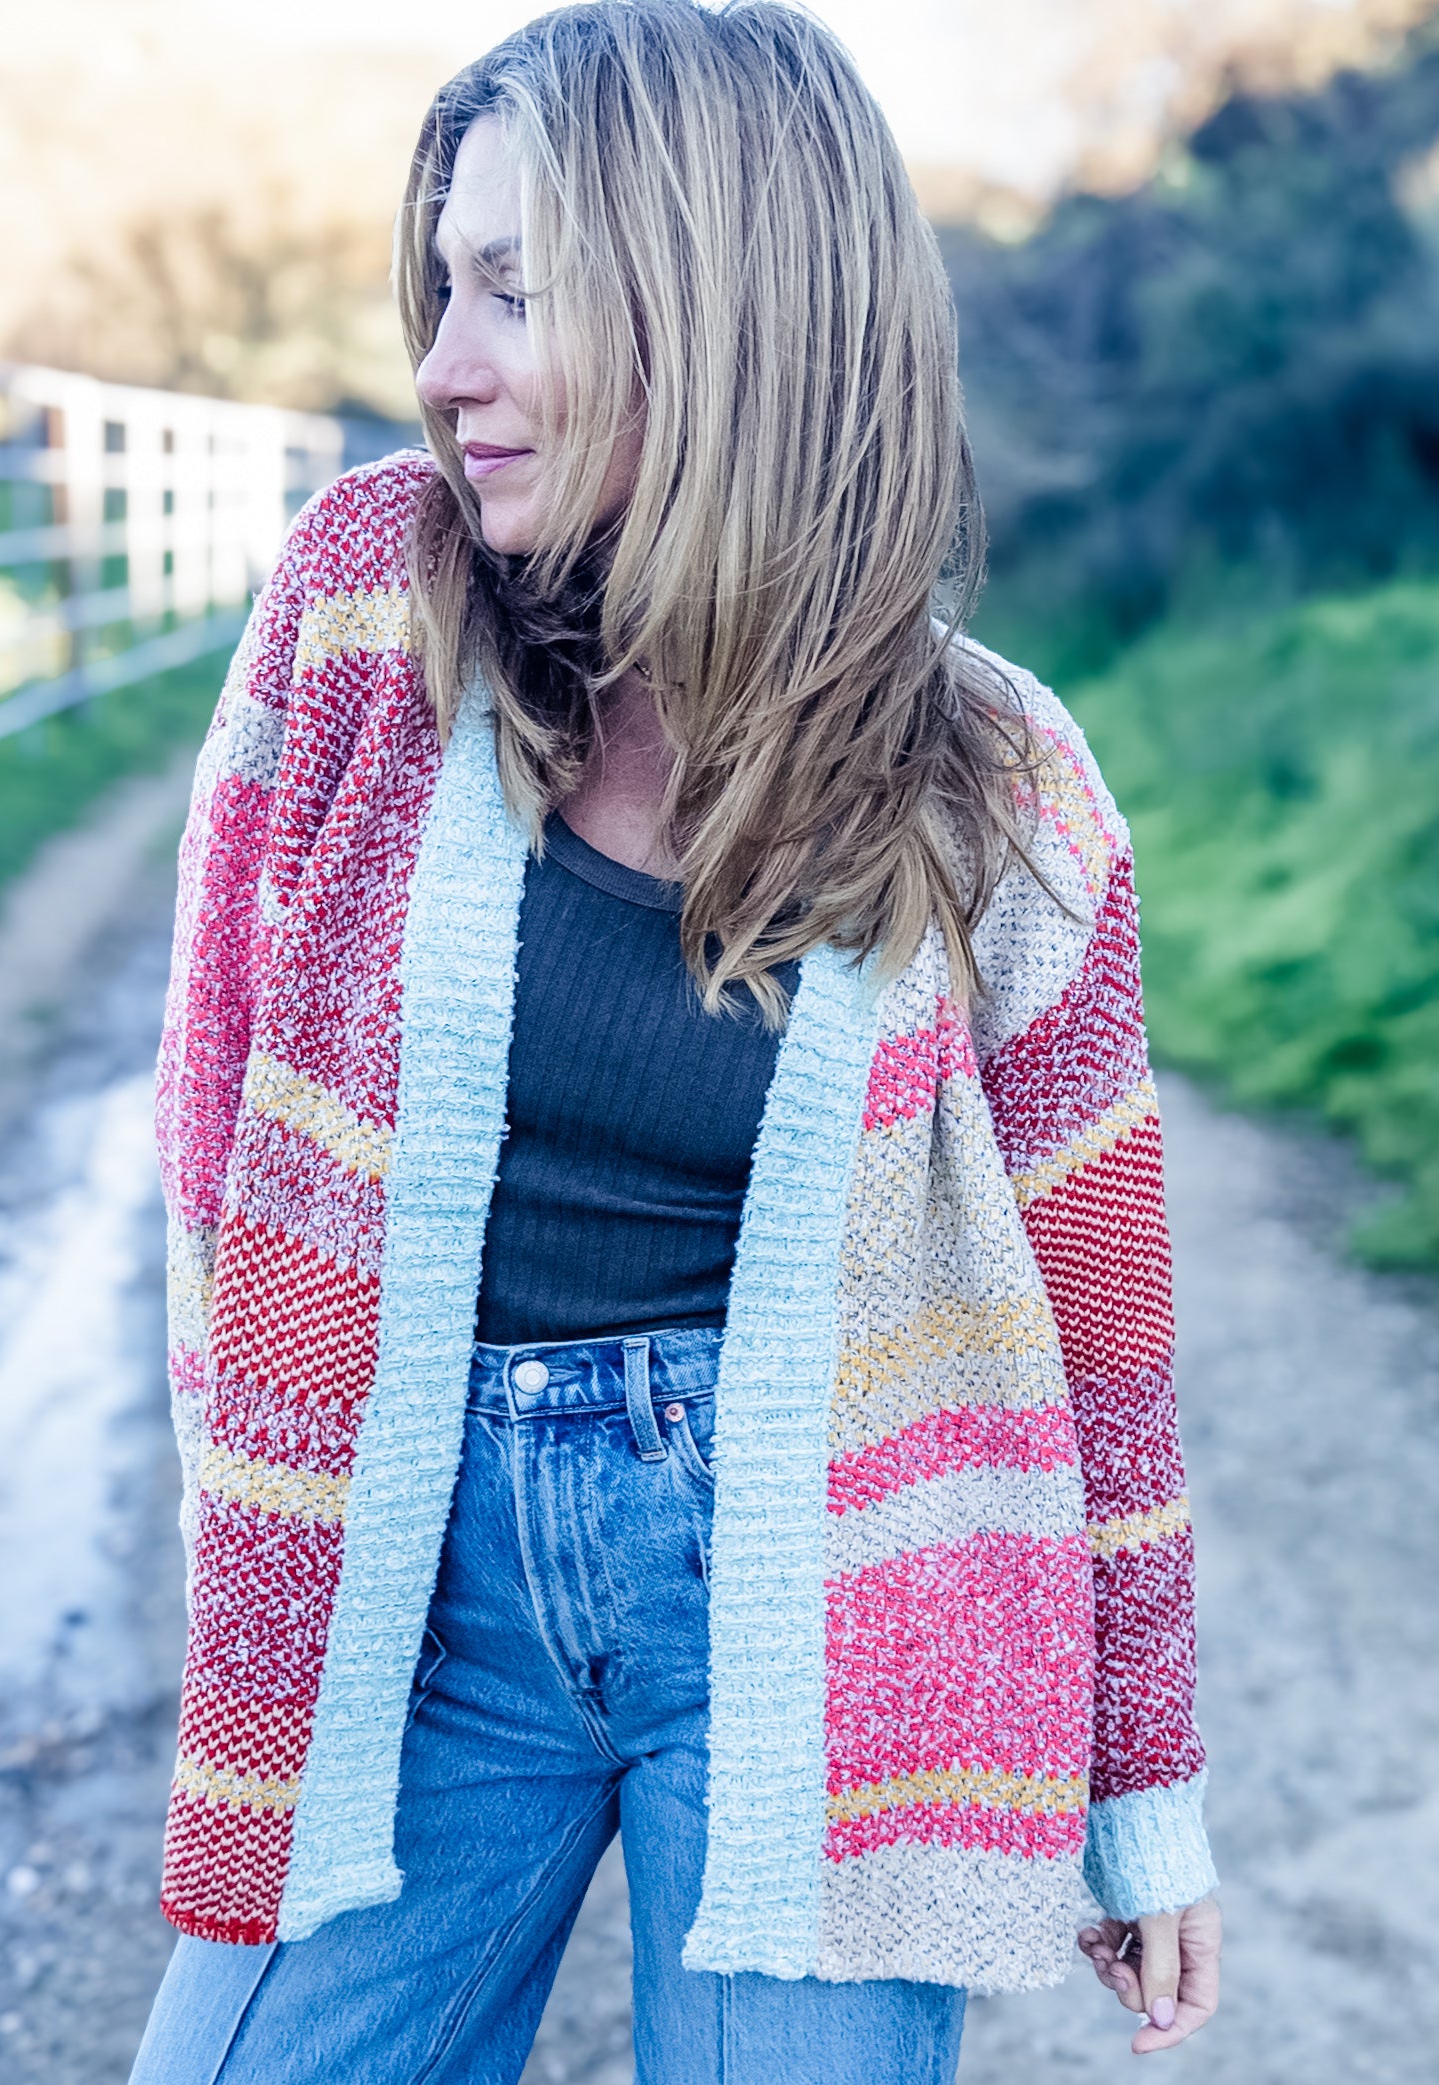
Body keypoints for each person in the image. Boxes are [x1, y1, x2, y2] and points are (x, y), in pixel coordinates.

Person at [129, 4, 1222, 2080]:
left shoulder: (992, 782)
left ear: (726, 310)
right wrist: (259, 1569)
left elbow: (1107, 1339)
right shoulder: (366, 614)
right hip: (422, 1596)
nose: (442, 363)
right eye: (443, 282)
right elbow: (215, 1131)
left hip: (840, 1629)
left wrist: (1137, 1781)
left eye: (514, 292)